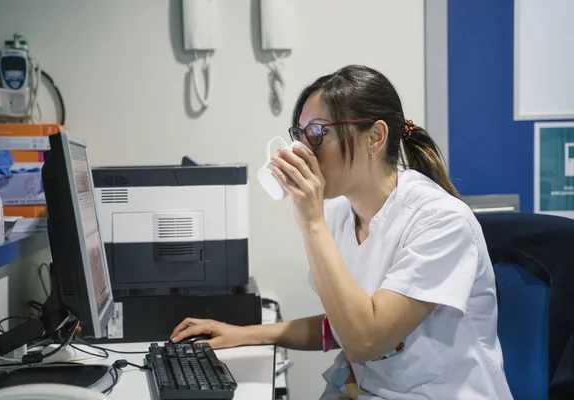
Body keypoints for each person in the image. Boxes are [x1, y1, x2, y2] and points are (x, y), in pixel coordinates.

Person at [171, 65, 513, 399]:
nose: (304, 151)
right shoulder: (337, 213)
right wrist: (244, 335)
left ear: (375, 137)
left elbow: (365, 340)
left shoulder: (441, 221)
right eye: (300, 135)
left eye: (318, 133)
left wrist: (311, 222)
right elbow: (342, 320)